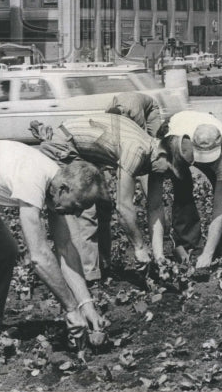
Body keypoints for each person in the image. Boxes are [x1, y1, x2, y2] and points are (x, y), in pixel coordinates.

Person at [32, 113, 178, 278]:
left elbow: (156, 206)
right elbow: (123, 207)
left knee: (104, 204)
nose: (167, 178)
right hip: (64, 146)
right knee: (84, 205)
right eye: (169, 172)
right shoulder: (136, 150)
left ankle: (104, 267)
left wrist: (159, 257)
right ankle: (88, 277)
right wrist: (139, 247)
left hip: (85, 154)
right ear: (162, 156)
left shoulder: (155, 155)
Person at [0, 141, 107, 343]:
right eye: (77, 205)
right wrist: (71, 309)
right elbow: (39, 257)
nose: (78, 213)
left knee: (5, 252)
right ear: (63, 190)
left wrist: (86, 304)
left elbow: (66, 249)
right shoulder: (33, 178)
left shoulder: (56, 181)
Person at [160, 109, 222, 269]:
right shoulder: (178, 140)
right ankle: (190, 245)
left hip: (202, 130)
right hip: (177, 130)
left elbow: (220, 208)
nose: (208, 163)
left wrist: (209, 254)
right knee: (183, 189)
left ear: (220, 147)